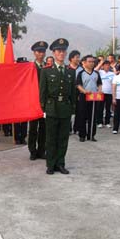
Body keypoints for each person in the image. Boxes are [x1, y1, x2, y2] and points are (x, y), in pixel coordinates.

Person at [40, 38, 76, 175]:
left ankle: (60, 163)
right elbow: (42, 92)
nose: (61, 53)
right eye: (58, 51)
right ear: (54, 53)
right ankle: (50, 164)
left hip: (65, 108)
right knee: (50, 138)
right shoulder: (46, 71)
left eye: (63, 51)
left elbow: (73, 92)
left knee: (63, 138)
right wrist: (43, 109)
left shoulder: (70, 71)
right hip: (51, 108)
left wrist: (73, 110)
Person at [28, 41, 48, 160]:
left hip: (45, 102)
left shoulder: (48, 67)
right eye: (38, 51)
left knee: (44, 128)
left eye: (43, 51)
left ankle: (41, 151)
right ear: (34, 53)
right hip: (33, 102)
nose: (41, 53)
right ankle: (32, 151)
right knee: (33, 128)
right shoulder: (30, 67)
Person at [76, 55, 102, 142]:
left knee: (93, 116)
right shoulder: (81, 73)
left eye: (93, 62)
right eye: (89, 61)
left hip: (94, 96)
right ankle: (82, 135)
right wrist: (84, 91)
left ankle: (91, 135)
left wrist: (99, 91)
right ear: (85, 62)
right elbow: (78, 85)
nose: (91, 63)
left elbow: (99, 84)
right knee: (82, 116)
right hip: (84, 96)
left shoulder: (96, 73)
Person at [67, 50, 82, 134]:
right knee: (68, 110)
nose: (78, 59)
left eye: (78, 57)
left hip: (79, 91)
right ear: (71, 58)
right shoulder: (66, 68)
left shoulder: (81, 69)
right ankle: (68, 128)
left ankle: (76, 128)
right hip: (69, 91)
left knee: (79, 110)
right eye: (76, 57)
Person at [97, 60, 114, 128]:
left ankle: (107, 122)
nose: (107, 66)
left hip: (109, 93)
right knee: (100, 108)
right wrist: (100, 63)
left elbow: (113, 84)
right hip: (101, 93)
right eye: (105, 65)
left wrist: (113, 67)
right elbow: (95, 70)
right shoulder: (100, 72)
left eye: (108, 65)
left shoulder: (112, 73)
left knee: (108, 108)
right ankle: (99, 122)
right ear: (103, 66)